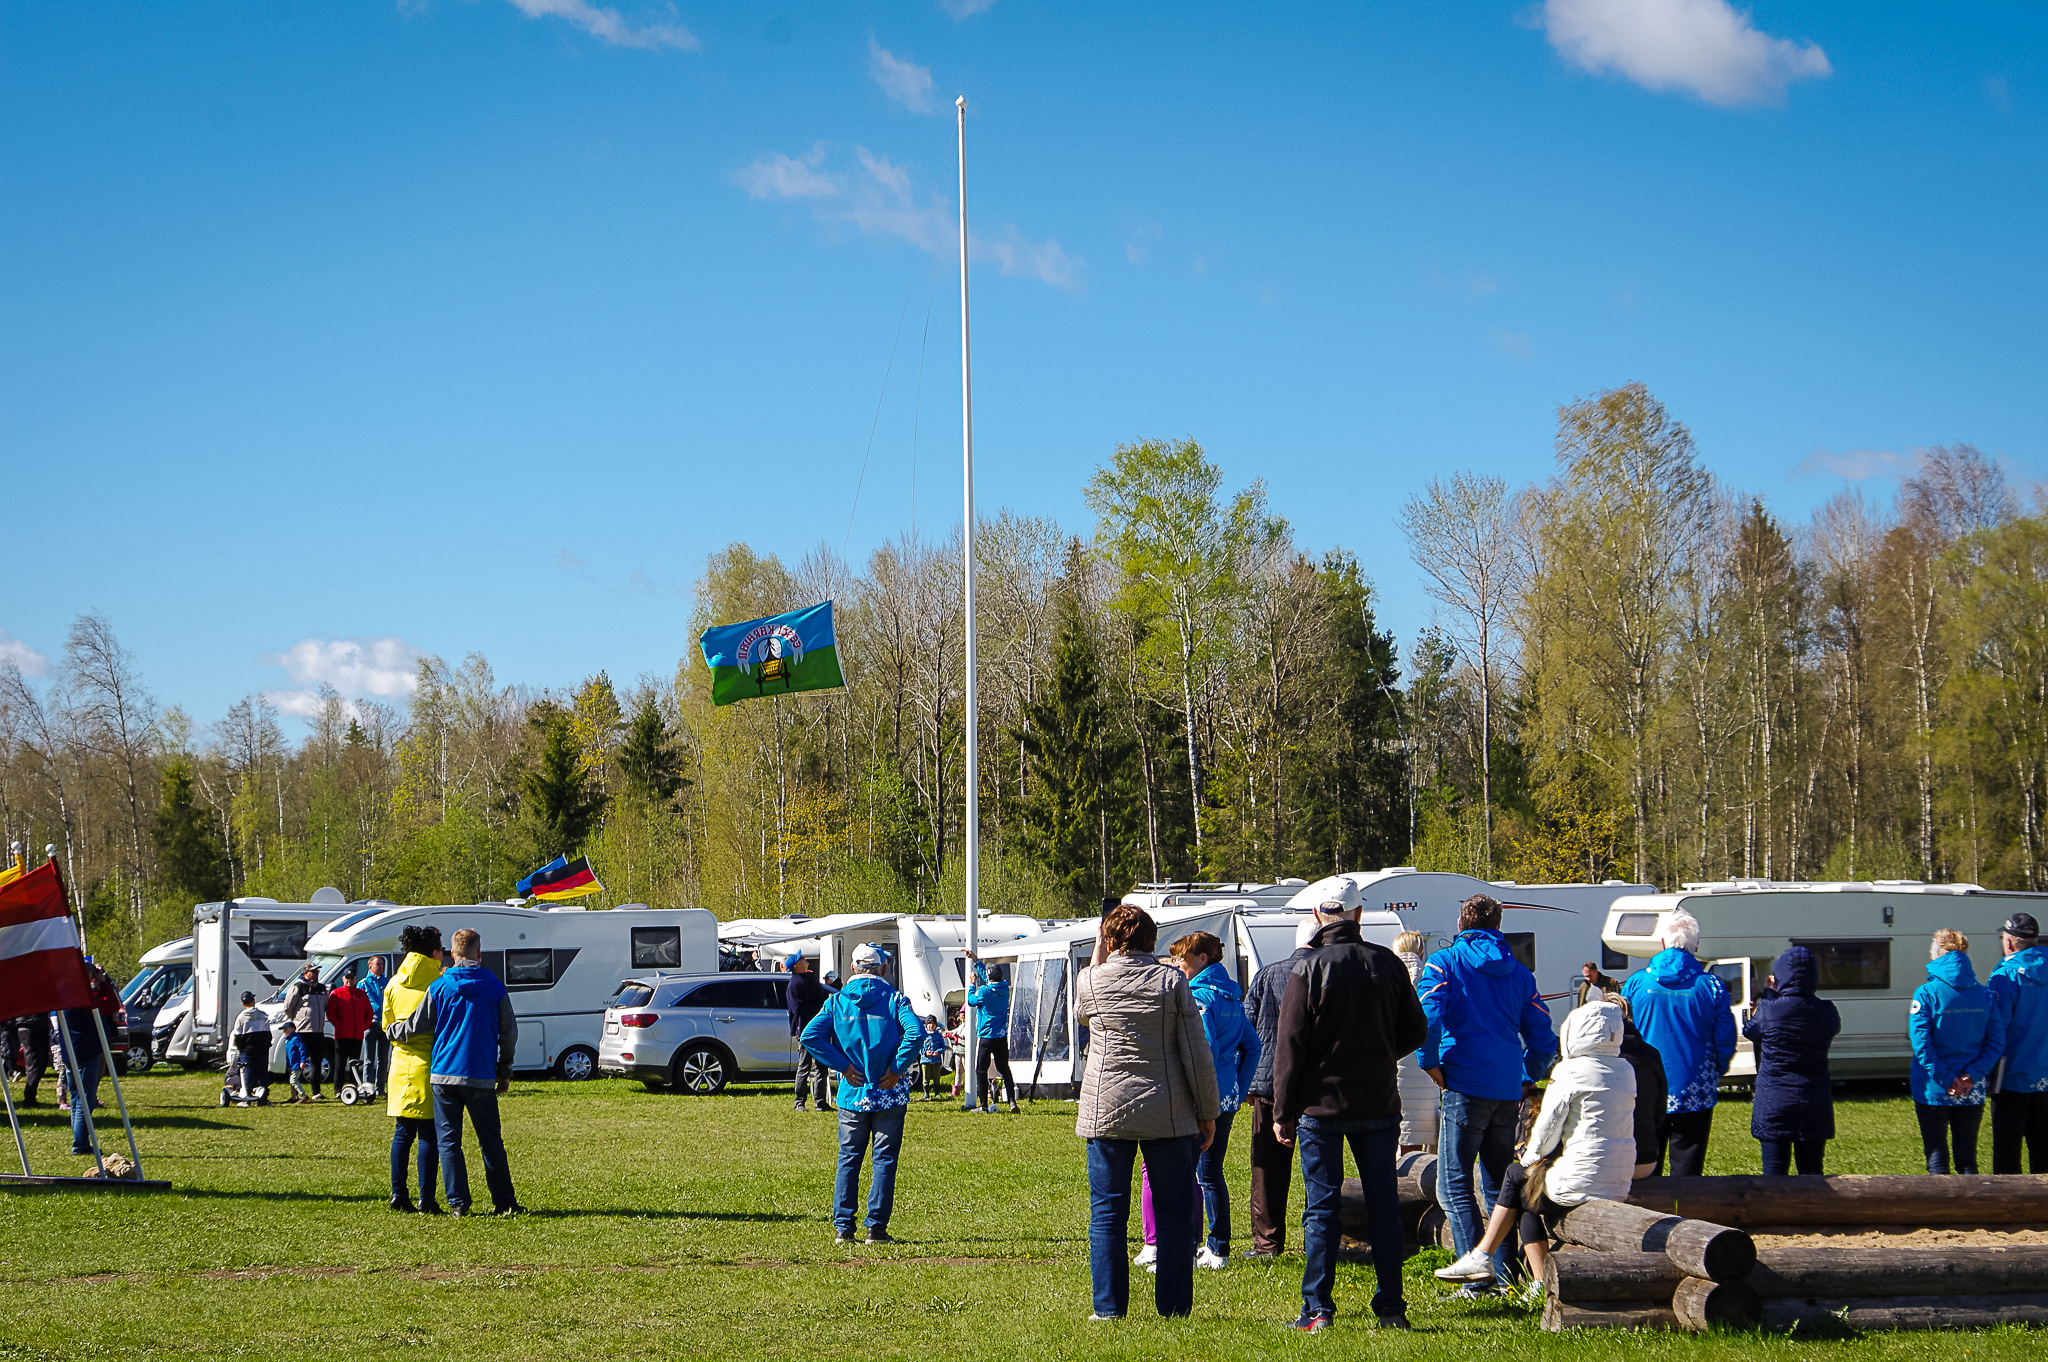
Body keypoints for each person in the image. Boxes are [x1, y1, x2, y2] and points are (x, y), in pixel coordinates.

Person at [1274, 889, 1428, 1333]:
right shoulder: (1387, 962)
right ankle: (1392, 1308)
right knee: (1383, 1206)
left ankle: (1318, 1308)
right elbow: (1416, 1030)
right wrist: (1382, 1053)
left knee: (1322, 1208)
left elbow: (1290, 1047)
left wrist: (1282, 1109)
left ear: (1318, 915)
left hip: (1320, 1105)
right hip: (1378, 1101)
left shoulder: (1307, 967)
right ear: (1359, 913)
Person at [1434, 998, 1637, 1300]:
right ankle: (1527, 1277)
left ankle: (1484, 1256)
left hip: (1581, 1182)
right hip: (1620, 1179)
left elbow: (1547, 1127)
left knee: (1518, 1175)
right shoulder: (1625, 1070)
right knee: (1529, 1195)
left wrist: (1529, 1158)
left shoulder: (1571, 1071)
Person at [1074, 905, 1219, 1322]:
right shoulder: (1171, 980)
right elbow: (1196, 1052)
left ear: (1109, 940)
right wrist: (1207, 1112)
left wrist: (1100, 952)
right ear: (1151, 940)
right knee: (1175, 1213)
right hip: (1168, 1110)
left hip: (1107, 1111)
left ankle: (1108, 1309)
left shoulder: (1091, 980)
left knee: (1107, 1212)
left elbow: (1083, 1013)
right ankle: (1173, 1308)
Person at [1417, 893, 1557, 1295]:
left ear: (1461, 923)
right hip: (1505, 1087)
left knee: (1453, 1183)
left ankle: (1476, 1278)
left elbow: (1427, 1014)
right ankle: (1504, 1273)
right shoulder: (1519, 972)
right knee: (1499, 1184)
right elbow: (1542, 1036)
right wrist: (1527, 1072)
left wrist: (1430, 1062)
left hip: (1462, 1082)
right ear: (1499, 926)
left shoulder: (1444, 962)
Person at [388, 926, 523, 1216]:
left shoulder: (439, 986)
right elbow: (509, 1033)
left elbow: (416, 1026)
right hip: (481, 1075)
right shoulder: (495, 986)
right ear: (479, 953)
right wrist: (505, 1069)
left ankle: (458, 1203)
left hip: (443, 1074)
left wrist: (391, 1030)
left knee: (449, 1142)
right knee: (491, 1142)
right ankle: (504, 1202)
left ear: (452, 953)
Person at [799, 941, 920, 1245]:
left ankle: (843, 1228)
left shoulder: (837, 1002)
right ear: (883, 968)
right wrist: (897, 1068)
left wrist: (842, 1064)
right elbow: (915, 1033)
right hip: (888, 1092)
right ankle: (875, 1229)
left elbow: (810, 1035)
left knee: (849, 1159)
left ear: (852, 968)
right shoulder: (895, 1000)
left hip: (852, 1093)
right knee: (884, 1160)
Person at [1622, 911, 1736, 1176]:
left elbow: (1623, 1031)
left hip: (1644, 1085)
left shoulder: (1636, 983)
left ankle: (1645, 1217)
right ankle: (1685, 1213)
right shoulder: (1713, 986)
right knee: (1688, 1168)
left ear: (1662, 942)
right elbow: (1725, 1038)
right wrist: (1714, 1071)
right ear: (1695, 945)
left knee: (1645, 1166)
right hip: (1694, 1086)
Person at [1241, 914, 1316, 1258]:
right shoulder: (1324, 972)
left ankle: (1267, 1242)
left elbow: (1248, 1025)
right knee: (1319, 1165)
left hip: (1270, 1081)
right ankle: (1321, 1235)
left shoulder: (1268, 973)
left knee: (1268, 1168)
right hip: (1317, 1084)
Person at [1910, 928, 2004, 1176]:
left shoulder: (1926, 993)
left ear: (1936, 953)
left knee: (1936, 1157)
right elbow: (1995, 1044)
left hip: (1933, 1089)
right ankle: (1972, 1214)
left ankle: (1941, 1213)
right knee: (1967, 1158)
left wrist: (1946, 1078)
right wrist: (1970, 1076)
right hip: (1971, 1089)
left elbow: (1921, 1044)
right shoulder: (1985, 995)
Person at [1743, 946, 1840, 1175]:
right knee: (1812, 1174)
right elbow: (1832, 1027)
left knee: (1774, 1174)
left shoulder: (1768, 1008)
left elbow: (1751, 1031)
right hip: (1814, 1101)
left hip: (1774, 1101)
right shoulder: (1827, 1011)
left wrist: (1769, 995)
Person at [384, 924, 444, 1214]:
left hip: (400, 1065)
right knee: (429, 1135)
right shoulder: (438, 982)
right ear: (434, 953)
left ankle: (398, 1194)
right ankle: (427, 1199)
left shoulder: (393, 984)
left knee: (402, 1133)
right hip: (429, 1062)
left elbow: (387, 1026)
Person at [1989, 912, 2048, 1174]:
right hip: (2045, 1078)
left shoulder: (2006, 975)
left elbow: (1995, 1028)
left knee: (2007, 1156)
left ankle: (2006, 1211)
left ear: (2010, 942)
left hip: (2011, 1076)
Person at [1391, 930, 1439, 1155]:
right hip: (1425, 1069)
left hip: (1395, 1065)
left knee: (1397, 1131)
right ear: (1421, 952)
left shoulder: (1389, 978)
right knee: (1422, 1129)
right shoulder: (1431, 979)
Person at [1615, 998, 1667, 1180]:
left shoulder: (1589, 1060)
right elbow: (1660, 1112)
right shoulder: (1652, 1055)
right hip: (1645, 1156)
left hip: (1603, 1162)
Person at [965, 954, 1019, 1114]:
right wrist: (976, 961)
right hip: (1001, 1037)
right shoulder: (1004, 987)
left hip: (986, 1037)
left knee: (981, 1070)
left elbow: (970, 1001)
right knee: (1005, 1069)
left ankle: (982, 1105)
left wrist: (971, 984)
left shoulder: (983, 992)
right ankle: (1012, 1102)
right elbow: (989, 978)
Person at [785, 955, 832, 1113]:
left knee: (822, 1066)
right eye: (802, 959)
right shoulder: (795, 983)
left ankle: (821, 1102)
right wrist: (820, 1010)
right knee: (804, 1066)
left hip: (820, 1029)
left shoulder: (810, 978)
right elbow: (798, 1009)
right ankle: (799, 1102)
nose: (805, 959)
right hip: (805, 1030)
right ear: (796, 966)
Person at [282, 965, 331, 1099]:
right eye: (313, 971)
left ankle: (316, 1092)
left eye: (317, 971)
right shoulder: (298, 987)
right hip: (302, 1031)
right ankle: (295, 1094)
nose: (316, 974)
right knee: (297, 1063)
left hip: (318, 1031)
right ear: (305, 972)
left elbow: (325, 1005)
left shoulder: (322, 988)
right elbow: (287, 1007)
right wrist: (297, 1020)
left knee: (317, 1062)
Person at [328, 966, 373, 1093]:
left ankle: (352, 1088)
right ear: (343, 978)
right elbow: (331, 1012)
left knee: (354, 1065)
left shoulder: (361, 994)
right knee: (340, 1065)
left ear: (355, 978)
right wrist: (338, 1025)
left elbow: (369, 1011)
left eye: (352, 977)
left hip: (357, 1035)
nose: (349, 980)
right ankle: (338, 1090)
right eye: (347, 977)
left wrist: (365, 1026)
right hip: (342, 1035)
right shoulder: (336, 994)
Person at [227, 990, 272, 1106]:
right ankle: (263, 1099)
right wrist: (267, 1045)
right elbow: (268, 1033)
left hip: (247, 1051)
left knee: (248, 1074)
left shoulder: (241, 1018)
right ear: (254, 1001)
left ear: (242, 1004)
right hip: (262, 1049)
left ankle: (246, 1098)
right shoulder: (263, 1015)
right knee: (262, 1074)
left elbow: (237, 1036)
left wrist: (241, 1048)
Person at [2, 1011, 51, 1106]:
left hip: (26, 1024)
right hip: (34, 1025)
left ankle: (30, 1096)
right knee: (36, 1064)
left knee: (34, 1063)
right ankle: (29, 1098)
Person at [361, 955, 391, 1097]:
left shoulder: (387, 982)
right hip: (370, 1025)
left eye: (381, 964)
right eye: (377, 964)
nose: (380, 967)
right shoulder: (364, 983)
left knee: (383, 1059)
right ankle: (367, 1088)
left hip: (384, 1025)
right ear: (370, 967)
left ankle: (380, 1089)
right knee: (369, 1059)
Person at [917, 1016, 947, 1099]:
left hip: (936, 1060)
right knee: (926, 1077)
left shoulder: (938, 1035)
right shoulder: (923, 1035)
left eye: (933, 1024)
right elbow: (919, 1047)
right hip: (925, 1060)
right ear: (926, 1025)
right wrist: (925, 1053)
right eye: (929, 1024)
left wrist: (939, 1051)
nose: (931, 1026)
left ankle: (937, 1093)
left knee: (936, 1077)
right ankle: (926, 1093)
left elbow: (943, 1046)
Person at [281, 1022, 312, 1103]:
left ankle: (304, 1096)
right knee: (292, 1080)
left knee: (293, 1080)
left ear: (292, 1029)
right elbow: (288, 1055)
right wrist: (288, 1065)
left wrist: (302, 1061)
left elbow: (302, 1050)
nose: (284, 1031)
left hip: (297, 1064)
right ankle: (294, 1097)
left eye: (285, 1029)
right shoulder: (287, 1041)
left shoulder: (295, 1039)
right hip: (292, 1065)